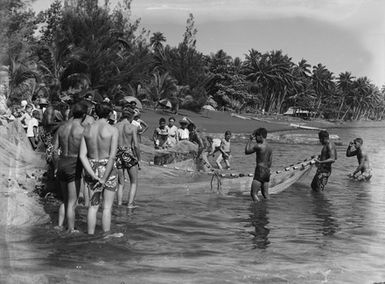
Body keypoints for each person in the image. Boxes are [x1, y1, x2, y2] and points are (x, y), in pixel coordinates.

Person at [79, 102, 119, 235]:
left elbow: (82, 155)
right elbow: (112, 157)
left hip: (91, 167)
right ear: (109, 114)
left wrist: (93, 174)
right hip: (108, 169)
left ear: (95, 112)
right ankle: (106, 237)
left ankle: (90, 235)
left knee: (93, 207)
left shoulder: (87, 129)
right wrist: (103, 178)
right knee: (107, 208)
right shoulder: (113, 130)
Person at [53, 102, 87, 232]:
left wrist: (56, 166)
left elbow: (54, 150)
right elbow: (85, 152)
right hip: (74, 164)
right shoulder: (83, 130)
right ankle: (71, 229)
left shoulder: (62, 128)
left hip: (62, 163)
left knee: (64, 199)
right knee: (72, 203)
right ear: (84, 115)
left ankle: (60, 225)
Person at [115, 107, 141, 208]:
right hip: (128, 154)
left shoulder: (115, 126)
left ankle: (119, 204)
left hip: (118, 154)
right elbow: (136, 145)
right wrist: (139, 158)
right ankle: (130, 205)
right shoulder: (132, 127)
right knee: (134, 182)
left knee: (120, 183)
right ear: (131, 116)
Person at [245, 128, 273, 202]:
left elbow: (247, 151)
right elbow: (270, 162)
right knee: (266, 194)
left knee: (253, 194)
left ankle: (257, 210)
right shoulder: (270, 147)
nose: (255, 139)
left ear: (260, 136)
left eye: (256, 136)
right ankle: (266, 209)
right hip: (267, 171)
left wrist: (250, 140)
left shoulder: (259, 146)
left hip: (260, 170)